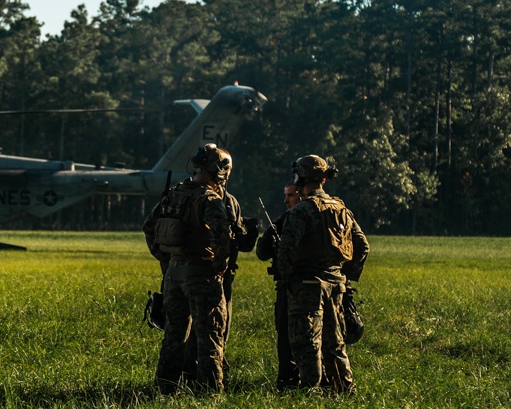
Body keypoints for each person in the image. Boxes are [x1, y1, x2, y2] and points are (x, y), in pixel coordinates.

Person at [143, 144, 255, 394]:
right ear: (221, 172)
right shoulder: (209, 199)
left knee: (173, 336)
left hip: (173, 275)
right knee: (210, 336)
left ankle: (165, 389)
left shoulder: (173, 194)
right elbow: (221, 240)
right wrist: (219, 268)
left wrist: (166, 260)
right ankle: (210, 393)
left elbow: (149, 227)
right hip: (202, 276)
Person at [276, 155, 369, 394]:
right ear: (324, 179)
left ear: (300, 178)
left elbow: (286, 251)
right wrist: (345, 277)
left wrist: (287, 280)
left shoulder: (302, 211)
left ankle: (310, 391)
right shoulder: (341, 209)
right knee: (335, 344)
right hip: (335, 287)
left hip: (306, 286)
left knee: (307, 343)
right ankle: (344, 389)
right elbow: (362, 246)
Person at [255, 181, 302, 390]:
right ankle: (288, 382)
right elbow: (262, 253)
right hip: (287, 286)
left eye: (290, 196)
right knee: (284, 337)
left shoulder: (302, 217)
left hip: (298, 286)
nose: (285, 200)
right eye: (285, 195)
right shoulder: (282, 221)